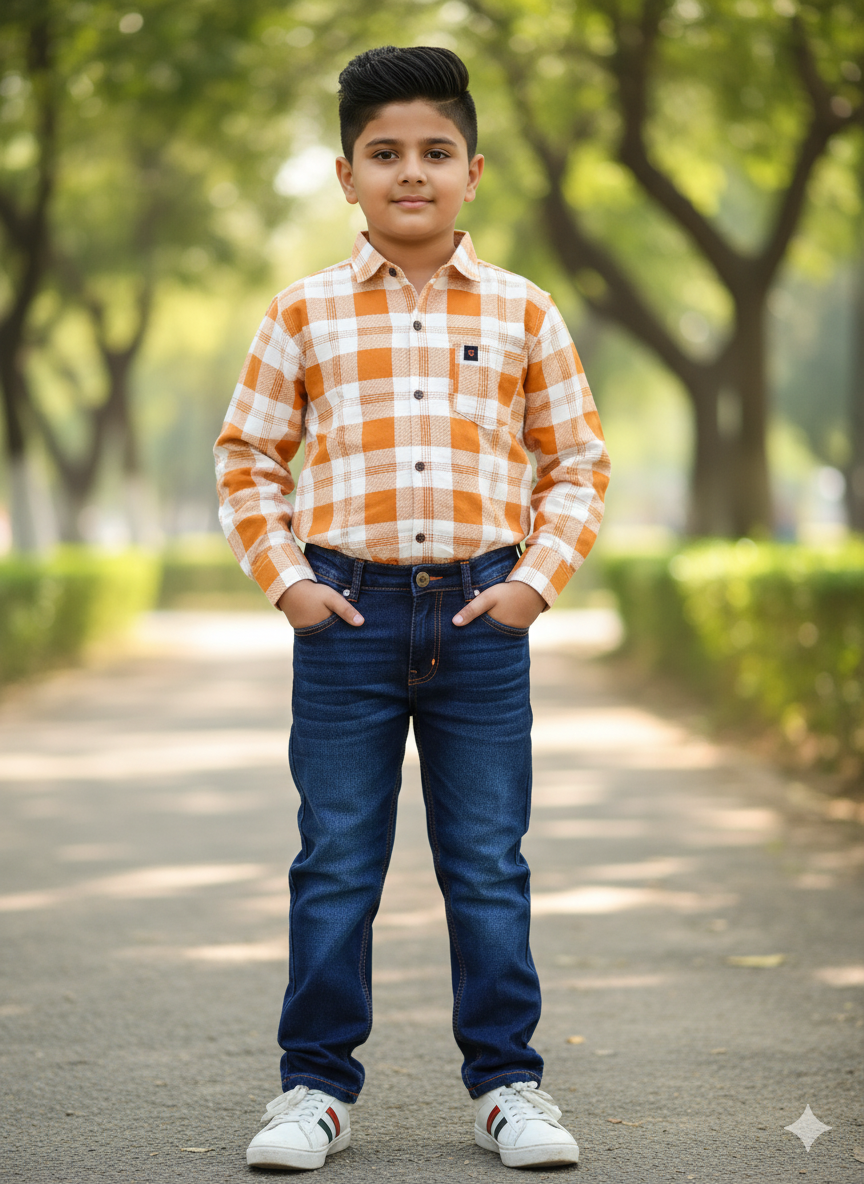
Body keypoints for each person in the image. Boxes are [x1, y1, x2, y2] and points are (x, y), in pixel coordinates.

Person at [214, 44, 610, 1172]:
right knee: (337, 856)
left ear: (473, 170)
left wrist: (535, 580)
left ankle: (508, 1084)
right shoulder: (303, 313)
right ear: (346, 176)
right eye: (383, 153)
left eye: (435, 151)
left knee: (486, 858)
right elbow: (247, 454)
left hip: (484, 616)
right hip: (346, 613)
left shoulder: (527, 312)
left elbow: (575, 460)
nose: (411, 173)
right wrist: (287, 579)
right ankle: (314, 1089)